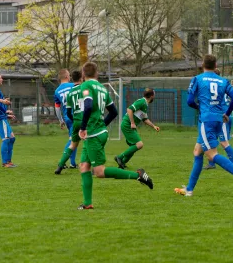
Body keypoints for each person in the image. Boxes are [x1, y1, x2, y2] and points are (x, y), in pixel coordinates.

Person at [77, 62, 153, 210]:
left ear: (83, 74)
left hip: (93, 134)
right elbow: (114, 112)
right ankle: (87, 203)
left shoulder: (86, 86)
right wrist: (102, 125)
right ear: (97, 73)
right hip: (98, 132)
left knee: (99, 171)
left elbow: (87, 106)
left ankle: (137, 175)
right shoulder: (102, 89)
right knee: (84, 166)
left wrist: (83, 127)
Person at [174, 54, 233, 197]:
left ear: (202, 65)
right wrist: (227, 113)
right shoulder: (223, 80)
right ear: (216, 66)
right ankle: (189, 190)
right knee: (197, 152)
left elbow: (190, 101)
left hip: (206, 120)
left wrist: (200, 108)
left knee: (211, 154)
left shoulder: (197, 79)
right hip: (219, 119)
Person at [114, 88, 160, 169]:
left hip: (129, 125)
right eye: (154, 95)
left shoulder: (145, 104)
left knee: (134, 146)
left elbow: (145, 119)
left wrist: (153, 126)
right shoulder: (142, 102)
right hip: (127, 124)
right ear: (152, 96)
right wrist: (132, 123)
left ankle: (122, 164)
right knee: (139, 144)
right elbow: (129, 109)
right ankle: (119, 157)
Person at [204, 68, 233, 170]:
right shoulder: (222, 84)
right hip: (219, 116)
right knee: (211, 140)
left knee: (224, 142)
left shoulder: (213, 86)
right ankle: (211, 163)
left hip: (222, 117)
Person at [55, 70, 83, 175]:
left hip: (67, 117)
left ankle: (72, 163)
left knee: (74, 138)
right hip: (77, 115)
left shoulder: (57, 91)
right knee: (73, 140)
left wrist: (61, 120)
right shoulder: (74, 86)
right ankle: (62, 162)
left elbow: (57, 108)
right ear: (67, 76)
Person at [0, 72, 17, 168]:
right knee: (6, 139)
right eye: (1, 78)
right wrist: (5, 111)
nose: (2, 79)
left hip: (1, 117)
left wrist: (6, 112)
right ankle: (5, 163)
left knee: (12, 138)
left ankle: (8, 161)